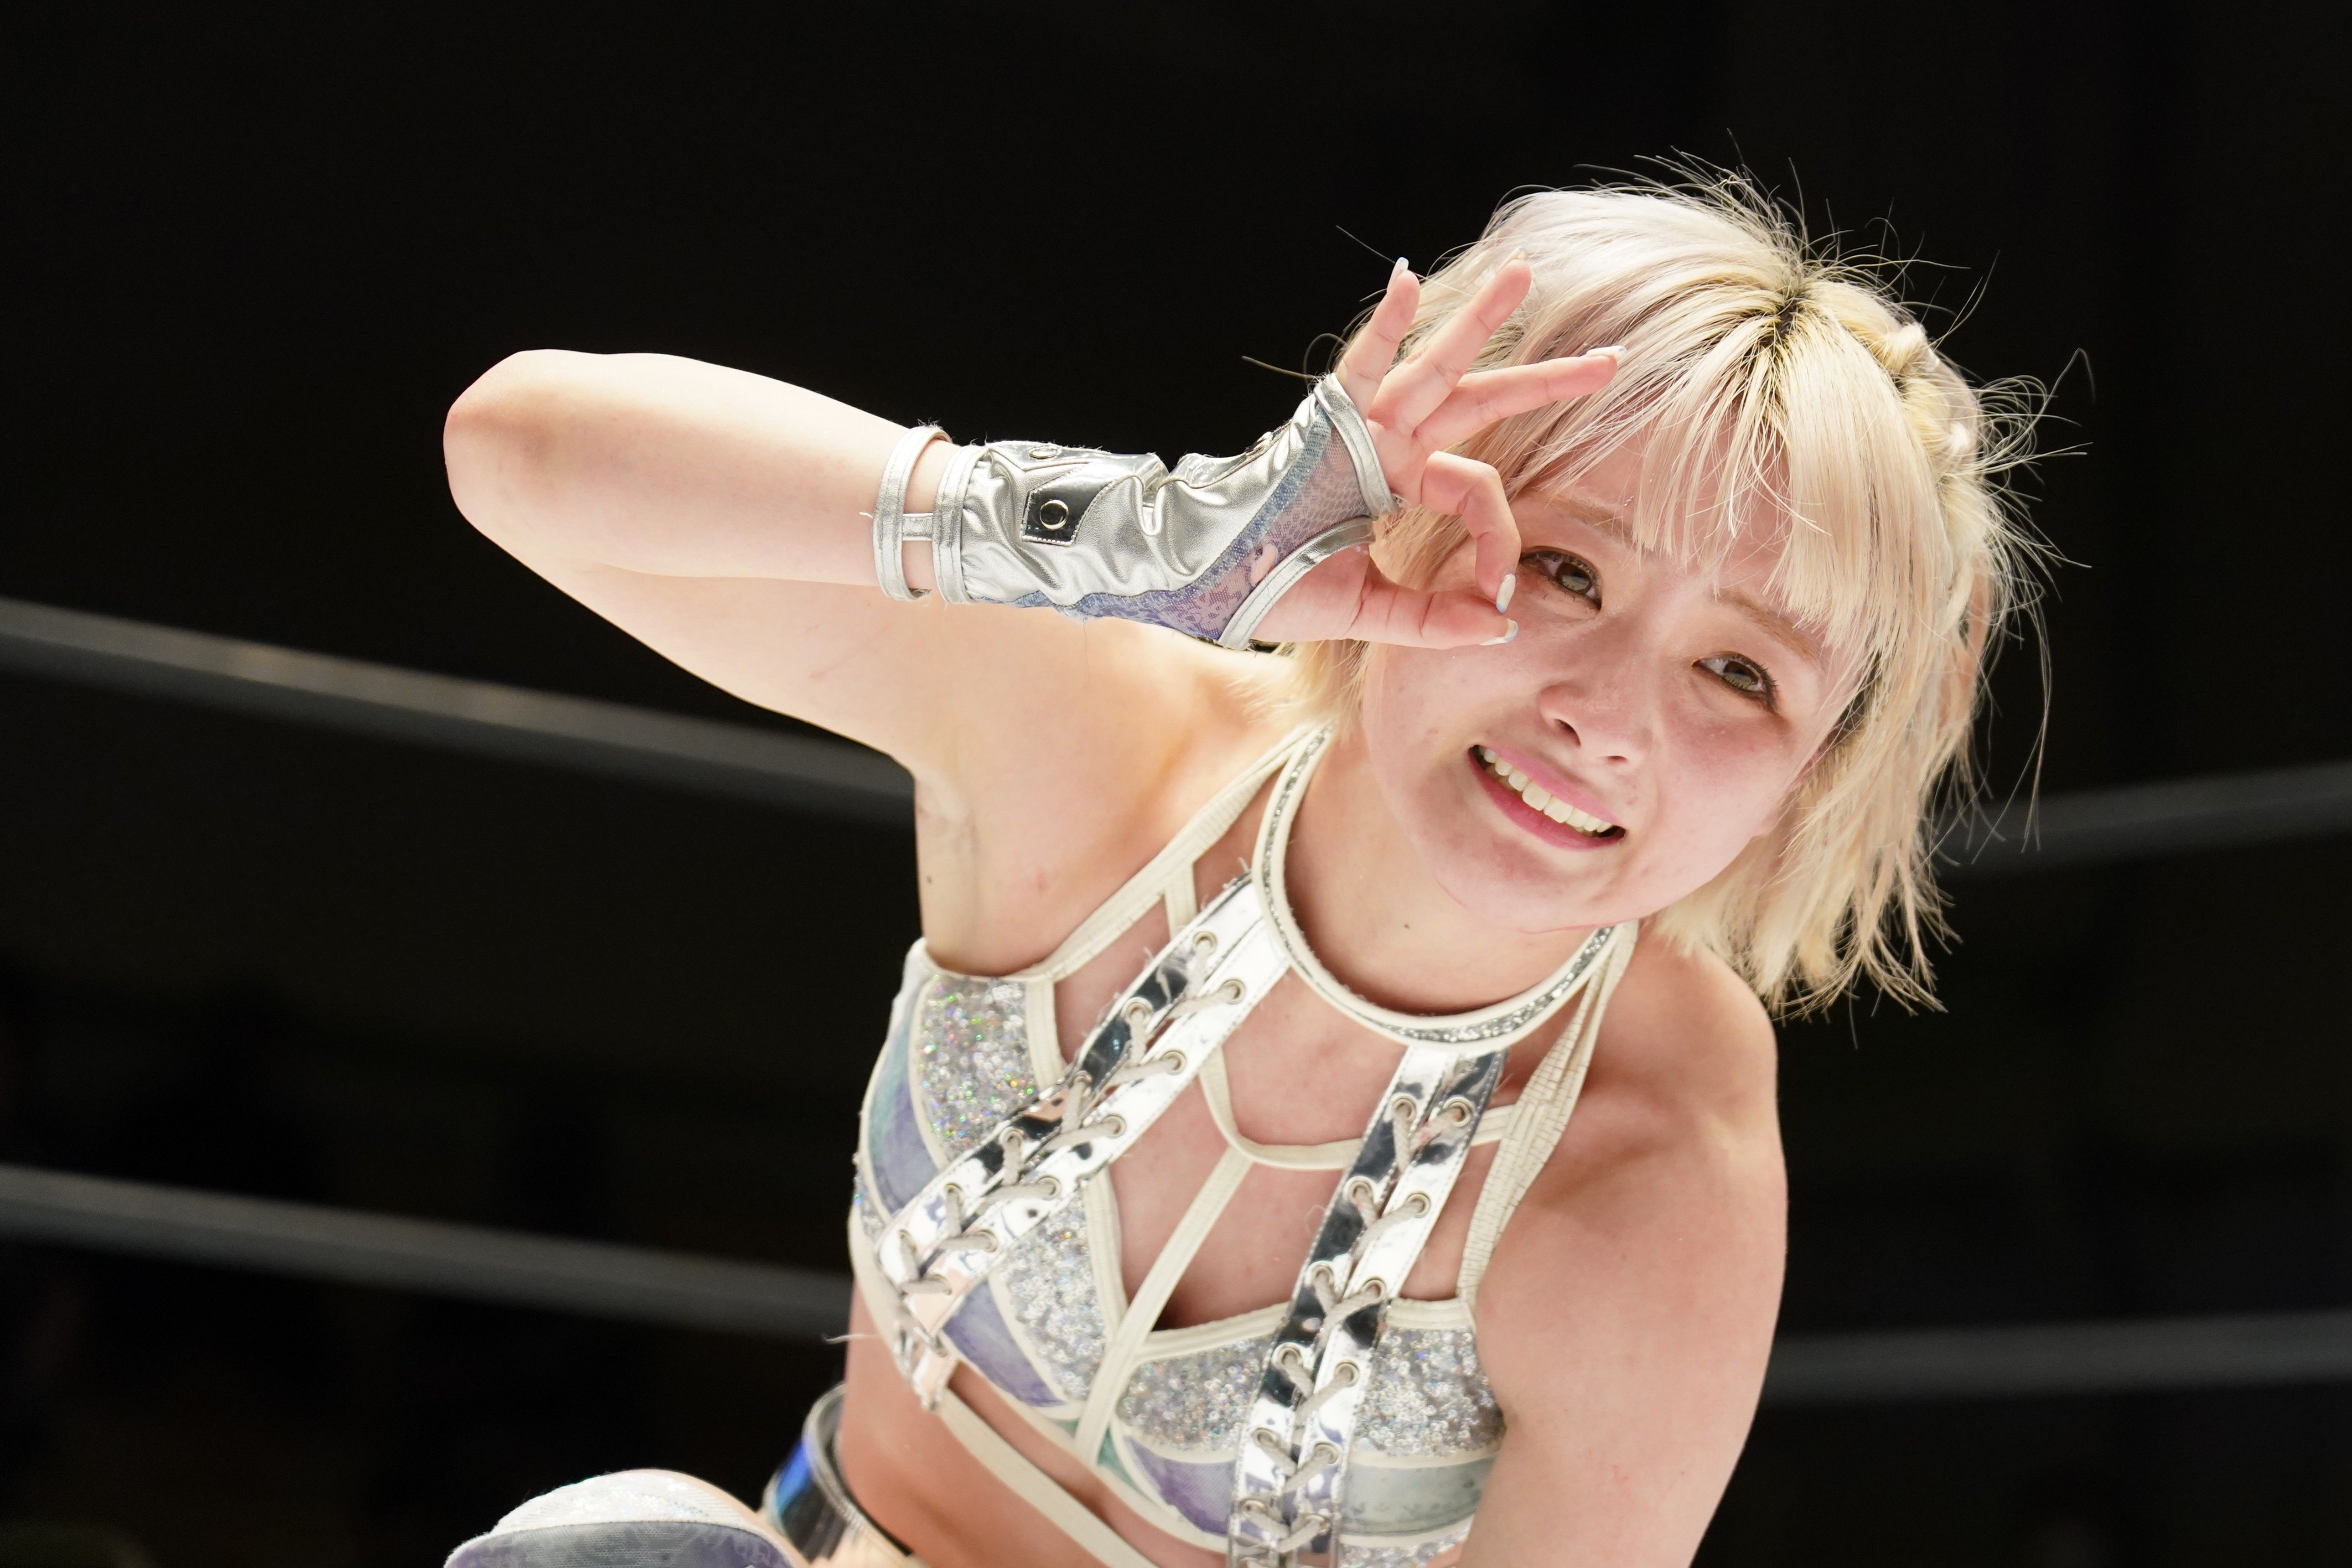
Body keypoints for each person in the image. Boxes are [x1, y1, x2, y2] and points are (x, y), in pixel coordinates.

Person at [436, 176, 2029, 1568]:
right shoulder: (1108, 742)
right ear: (1412, 508)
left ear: (1817, 771)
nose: (1606, 719)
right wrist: (1154, 538)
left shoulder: (1661, 1166)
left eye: (1741, 673)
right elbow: (518, 451)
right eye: (1563, 568)